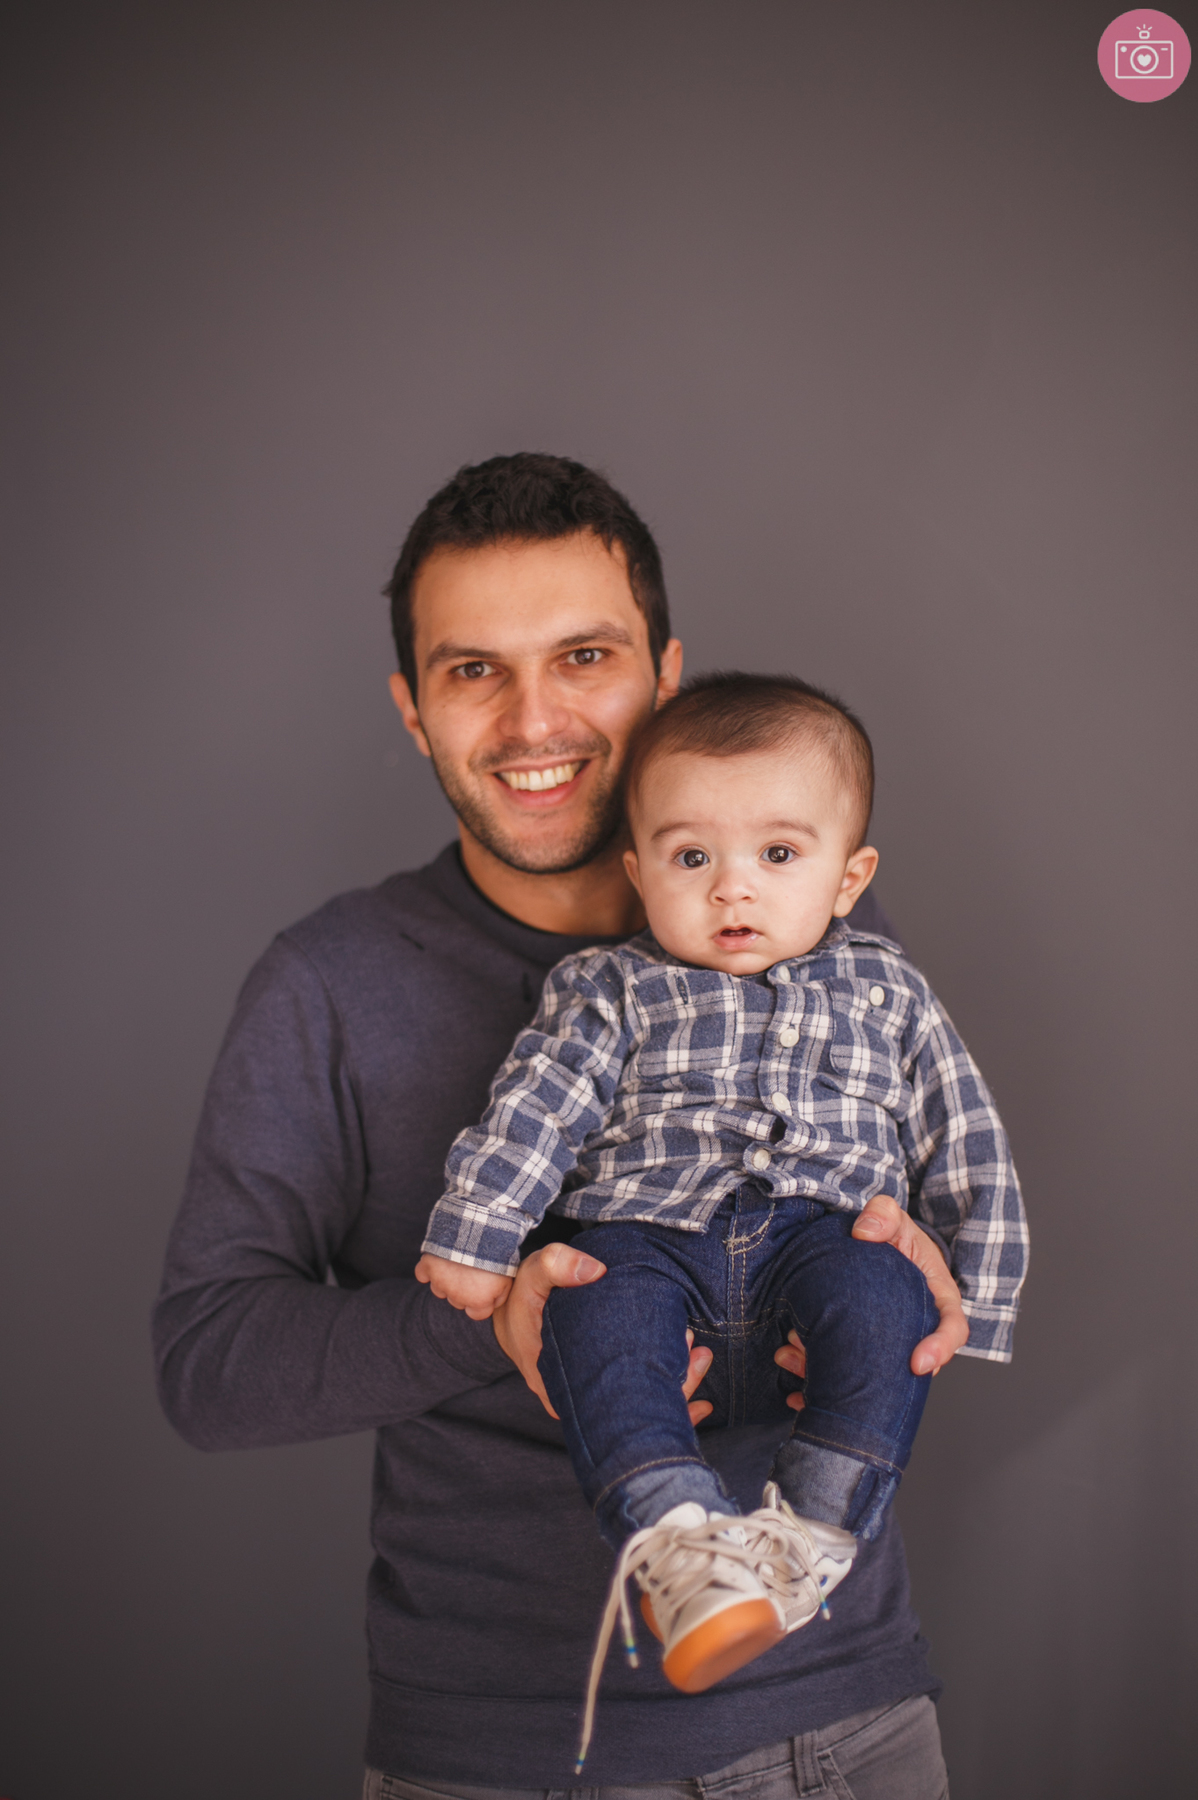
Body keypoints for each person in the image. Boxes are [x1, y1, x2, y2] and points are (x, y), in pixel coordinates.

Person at [155, 453, 977, 1800]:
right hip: (527, 1758)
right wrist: (481, 1317)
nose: (534, 720)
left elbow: (919, 1179)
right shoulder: (330, 984)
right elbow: (207, 1363)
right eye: (473, 669)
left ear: (664, 674)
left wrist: (922, 1250)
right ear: (414, 710)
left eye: (583, 655)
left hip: (861, 1719)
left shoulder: (804, 909)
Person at [416, 673, 1027, 1766]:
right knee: (594, 1319)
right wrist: (473, 1240)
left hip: (823, 1233)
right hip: (646, 1237)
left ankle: (806, 1536)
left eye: (778, 857)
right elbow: (538, 1111)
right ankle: (680, 1544)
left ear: (851, 877)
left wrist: (971, 1294)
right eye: (692, 859)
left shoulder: (886, 988)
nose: (732, 890)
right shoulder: (609, 987)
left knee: (884, 1298)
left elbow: (964, 1133)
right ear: (637, 869)